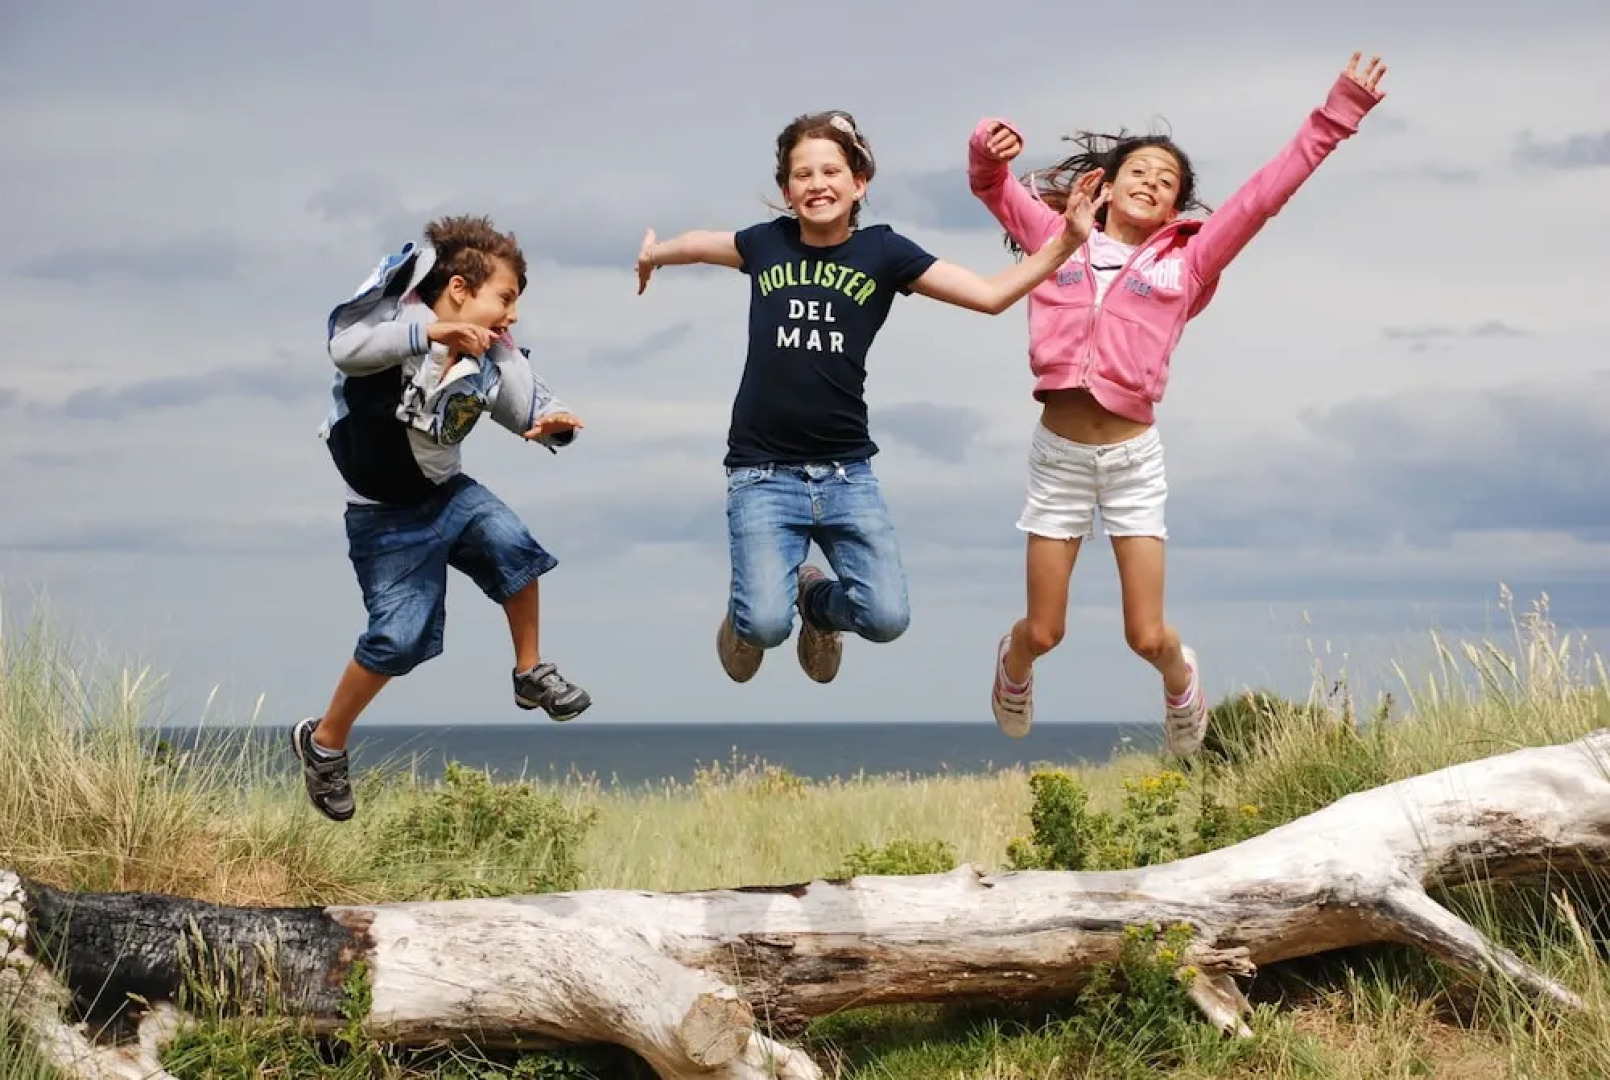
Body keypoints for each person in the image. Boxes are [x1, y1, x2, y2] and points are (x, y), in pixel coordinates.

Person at [969, 53, 1389, 751]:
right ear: (1104, 185)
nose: (1152, 183)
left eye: (1166, 182)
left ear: (1174, 207)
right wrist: (989, 141)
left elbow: (1262, 197)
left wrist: (1338, 112)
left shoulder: (1186, 263)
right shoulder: (1056, 236)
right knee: (1044, 631)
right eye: (1139, 171)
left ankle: (1180, 680)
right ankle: (1011, 668)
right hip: (1060, 458)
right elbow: (989, 181)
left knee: (1147, 635)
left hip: (1132, 460)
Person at [635, 110, 1104, 687]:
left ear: (859, 183)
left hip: (846, 475)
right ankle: (753, 619)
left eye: (831, 170)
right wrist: (655, 255)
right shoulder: (766, 243)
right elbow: (704, 244)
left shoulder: (885, 253)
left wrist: (1068, 243)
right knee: (761, 628)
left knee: (885, 619)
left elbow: (988, 295)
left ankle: (816, 604)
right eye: (802, 175)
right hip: (761, 474)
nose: (817, 184)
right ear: (786, 190)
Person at [292, 214, 590, 822]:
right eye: (505, 298)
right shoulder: (399, 325)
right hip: (384, 519)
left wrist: (553, 425)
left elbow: (525, 401)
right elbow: (343, 350)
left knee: (513, 545)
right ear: (459, 289)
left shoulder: (495, 352)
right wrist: (431, 335)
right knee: (397, 640)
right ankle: (324, 743)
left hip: (448, 493)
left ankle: (530, 670)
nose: (511, 315)